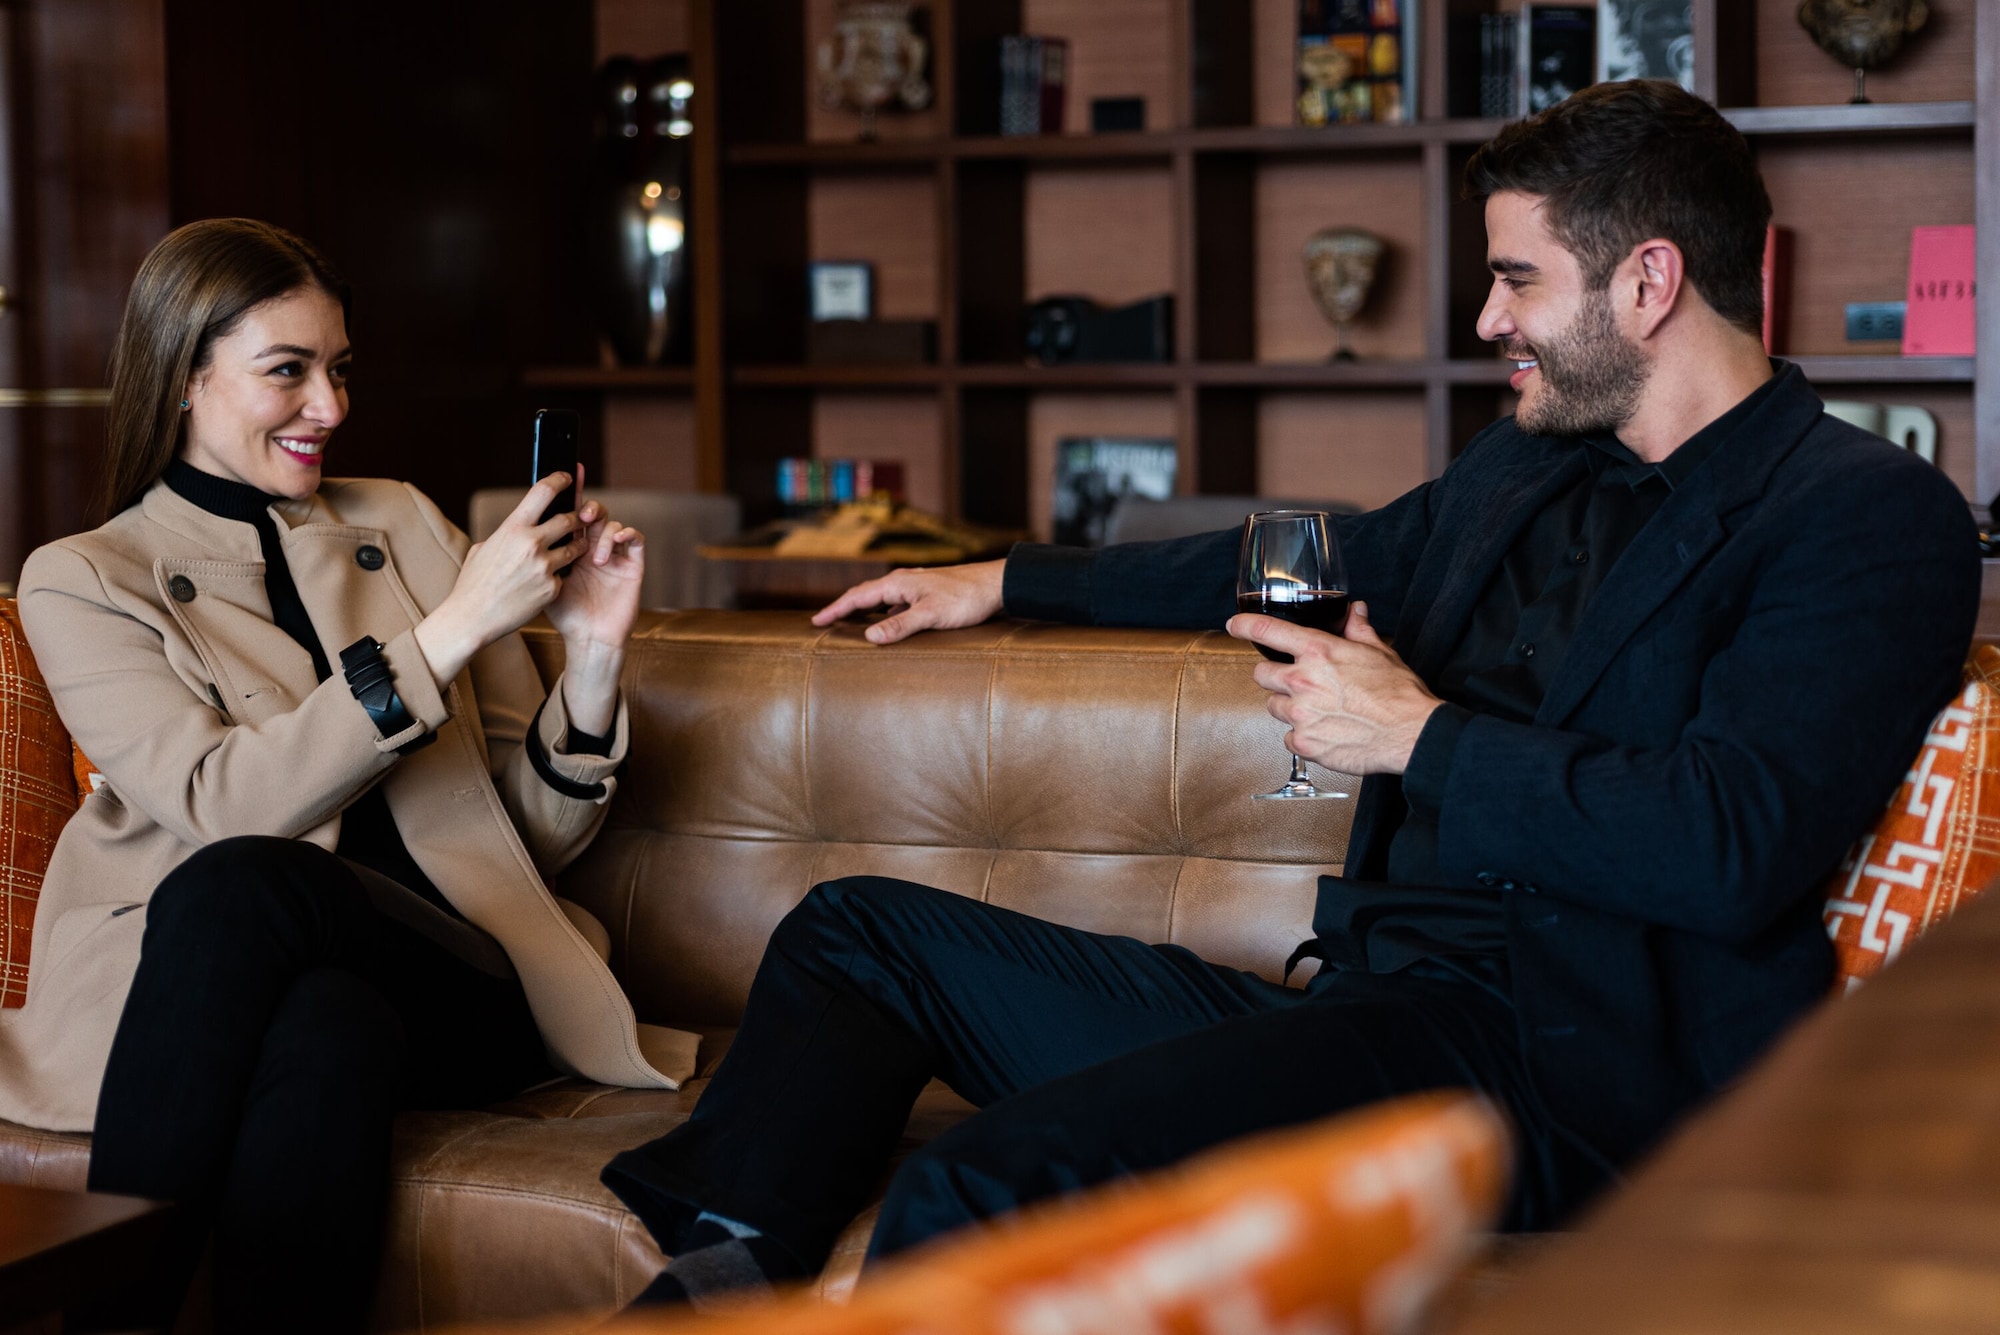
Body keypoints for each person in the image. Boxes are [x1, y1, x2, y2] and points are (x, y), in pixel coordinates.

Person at [600, 80, 1978, 1309]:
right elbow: (1311, 558)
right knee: (855, 936)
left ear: (1648, 281)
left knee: (993, 1181)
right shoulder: (1526, 465)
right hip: (1369, 1004)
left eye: (1516, 279)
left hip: (1561, 1067)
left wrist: (1418, 737)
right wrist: (1007, 576)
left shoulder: (1861, 513)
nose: (1488, 319)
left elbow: (1728, 838)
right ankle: (716, 1288)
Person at [3, 219, 699, 1333]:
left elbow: (525, 839)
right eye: (287, 370)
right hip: (247, 980)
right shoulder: (85, 579)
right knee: (324, 1023)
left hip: (457, 976)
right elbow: (221, 802)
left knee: (242, 890)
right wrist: (452, 629)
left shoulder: (406, 521)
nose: (328, 405)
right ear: (183, 376)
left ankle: (105, 1320)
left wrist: (594, 656)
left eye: (337, 369)